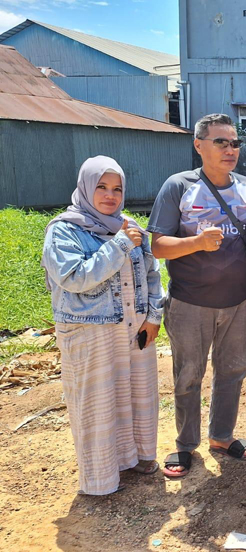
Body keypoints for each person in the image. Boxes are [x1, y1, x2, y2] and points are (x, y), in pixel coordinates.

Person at [42, 156, 163, 495]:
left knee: (136, 396)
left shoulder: (130, 226)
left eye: (117, 189)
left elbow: (153, 274)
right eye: (102, 187)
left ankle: (138, 457)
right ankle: (101, 479)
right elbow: (75, 277)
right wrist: (120, 245)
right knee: (98, 403)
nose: (110, 196)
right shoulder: (64, 231)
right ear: (85, 188)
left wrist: (154, 316)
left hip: (134, 329)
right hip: (90, 333)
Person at [149, 113, 246, 477]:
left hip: (240, 301)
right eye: (221, 142)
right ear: (199, 145)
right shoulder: (179, 186)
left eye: (235, 143)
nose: (230, 149)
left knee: (233, 371)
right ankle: (185, 445)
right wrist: (196, 242)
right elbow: (158, 246)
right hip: (190, 303)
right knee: (188, 375)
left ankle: (222, 437)